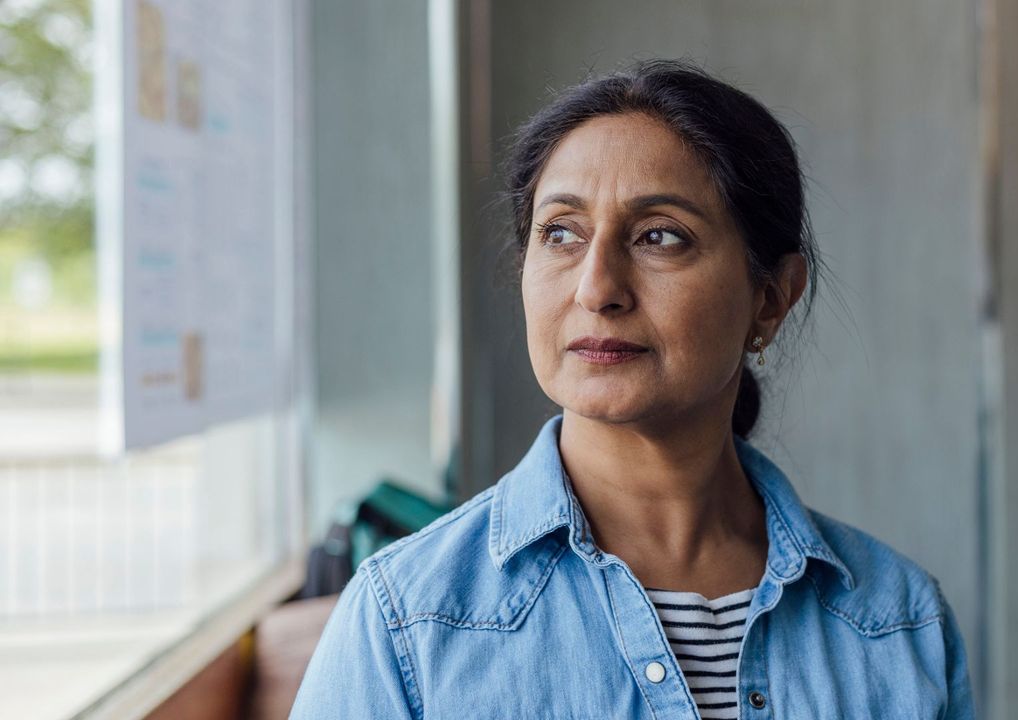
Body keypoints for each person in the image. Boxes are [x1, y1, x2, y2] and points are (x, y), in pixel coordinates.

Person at [291, 58, 975, 719]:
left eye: (659, 236)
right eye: (560, 233)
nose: (597, 289)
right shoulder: (407, 617)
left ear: (770, 298)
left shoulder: (899, 623)